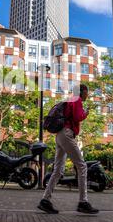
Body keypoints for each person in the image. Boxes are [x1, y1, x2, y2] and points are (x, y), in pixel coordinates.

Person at [38, 84, 99, 214]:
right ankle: (83, 202)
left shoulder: (70, 100)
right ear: (82, 92)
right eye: (87, 92)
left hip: (60, 135)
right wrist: (85, 114)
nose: (87, 95)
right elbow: (77, 117)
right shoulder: (76, 100)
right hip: (66, 133)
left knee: (58, 170)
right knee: (82, 166)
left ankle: (45, 200)